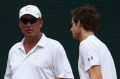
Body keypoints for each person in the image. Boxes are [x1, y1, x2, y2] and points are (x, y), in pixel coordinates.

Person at [4, 5, 74, 79]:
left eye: (32, 20)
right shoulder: (14, 50)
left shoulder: (54, 47)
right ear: (20, 24)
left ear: (41, 23)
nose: (28, 25)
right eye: (24, 21)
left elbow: (67, 77)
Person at [70, 4, 117, 79]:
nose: (71, 29)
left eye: (72, 24)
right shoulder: (100, 45)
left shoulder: (86, 44)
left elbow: (96, 77)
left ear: (78, 22)